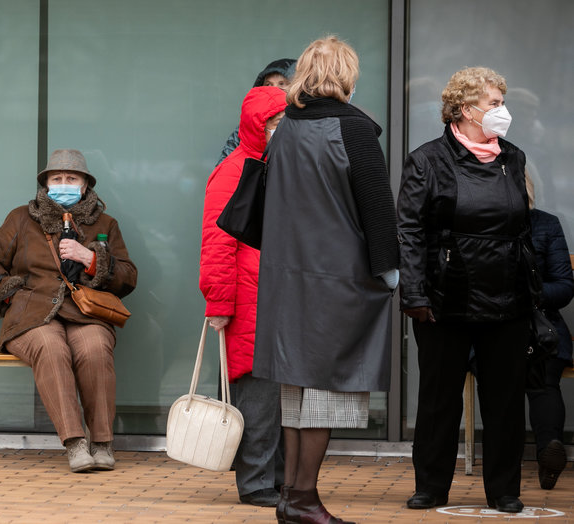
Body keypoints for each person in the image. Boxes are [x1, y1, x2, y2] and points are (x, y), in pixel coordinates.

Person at [253, 36, 398, 524]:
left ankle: (291, 497)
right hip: (338, 277)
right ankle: (306, 500)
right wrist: (391, 271)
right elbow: (377, 207)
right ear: (347, 75)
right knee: (332, 390)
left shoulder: (285, 129)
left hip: (286, 278)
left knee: (297, 391)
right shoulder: (354, 129)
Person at [398, 67, 531, 514]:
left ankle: (504, 491)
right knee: (438, 399)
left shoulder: (513, 157)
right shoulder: (427, 160)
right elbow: (410, 231)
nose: (502, 112)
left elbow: (521, 228)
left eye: (500, 102)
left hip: (506, 297)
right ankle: (431, 487)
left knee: (505, 400)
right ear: (464, 109)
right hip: (444, 297)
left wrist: (528, 289)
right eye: (494, 103)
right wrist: (414, 295)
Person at [0, 149, 137, 473]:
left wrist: (89, 258)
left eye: (71, 178)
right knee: (51, 347)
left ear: (85, 184)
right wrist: (10, 294)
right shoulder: (21, 218)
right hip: (31, 314)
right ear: (46, 184)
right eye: (57, 178)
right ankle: (75, 443)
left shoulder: (106, 223)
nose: (64, 183)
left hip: (84, 312)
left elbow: (129, 277)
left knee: (94, 348)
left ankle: (102, 443)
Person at [199, 85, 287, 507]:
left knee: (276, 399)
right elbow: (217, 244)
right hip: (248, 301)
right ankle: (255, 484)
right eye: (274, 123)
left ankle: (278, 479)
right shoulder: (235, 170)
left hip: (274, 298)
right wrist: (219, 303)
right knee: (257, 399)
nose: (280, 130)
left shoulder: (275, 166)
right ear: (257, 125)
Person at [524, 172, 573, 491]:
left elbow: (565, 287)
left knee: (541, 373)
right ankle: (543, 448)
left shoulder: (545, 224)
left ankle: (549, 454)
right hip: (488, 325)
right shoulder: (475, 225)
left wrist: (530, 294)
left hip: (540, 326)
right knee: (504, 375)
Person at [216, 58, 297, 165]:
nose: (274, 89)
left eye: (282, 84)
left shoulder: (305, 123)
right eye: (268, 84)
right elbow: (226, 164)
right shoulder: (249, 127)